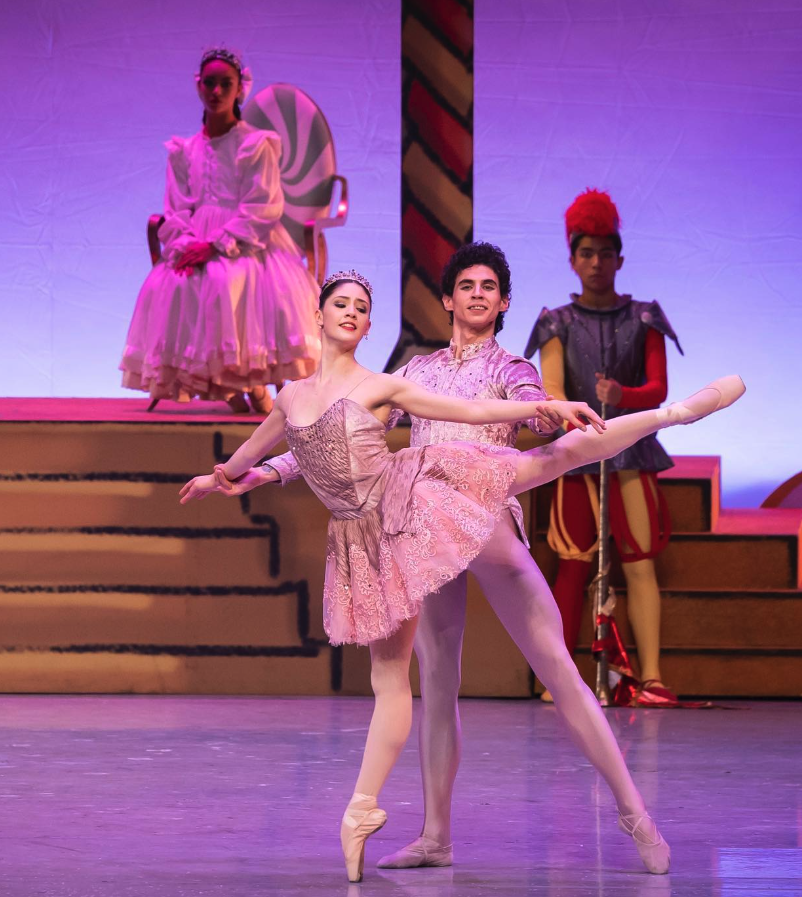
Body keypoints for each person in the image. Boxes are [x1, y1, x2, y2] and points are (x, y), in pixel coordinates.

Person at [179, 268, 745, 882]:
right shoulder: (412, 373)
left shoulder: (511, 368)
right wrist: (264, 472)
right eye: (466, 285)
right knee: (435, 684)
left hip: (482, 517)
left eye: (489, 287)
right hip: (421, 526)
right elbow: (334, 430)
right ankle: (435, 836)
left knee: (557, 665)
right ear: (447, 298)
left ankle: (636, 815)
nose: (477, 295)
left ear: (503, 302)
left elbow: (517, 414)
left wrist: (547, 409)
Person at [215, 242, 559, 870]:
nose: (351, 312)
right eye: (340, 303)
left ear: (370, 325)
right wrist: (230, 477)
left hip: (408, 515)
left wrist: (541, 405)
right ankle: (372, 816)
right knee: (392, 680)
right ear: (319, 316)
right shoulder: (293, 396)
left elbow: (476, 408)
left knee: (409, 677)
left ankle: (363, 806)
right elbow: (264, 447)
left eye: (362, 307)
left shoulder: (388, 384)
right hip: (355, 542)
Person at [525, 189, 683, 706]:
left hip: (633, 456)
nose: (596, 263)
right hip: (577, 457)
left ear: (620, 257)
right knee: (572, 564)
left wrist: (624, 397)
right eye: (586, 253)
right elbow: (549, 393)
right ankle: (561, 677)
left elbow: (657, 391)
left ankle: (652, 675)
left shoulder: (645, 318)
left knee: (639, 564)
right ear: (572, 259)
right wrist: (577, 414)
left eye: (605, 253)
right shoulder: (555, 323)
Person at [120, 46, 321, 414]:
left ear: (239, 88)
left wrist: (217, 245)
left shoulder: (255, 144)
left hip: (248, 242)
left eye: (224, 84)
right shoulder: (185, 150)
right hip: (195, 236)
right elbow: (176, 205)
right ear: (199, 87)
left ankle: (251, 382)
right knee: (176, 284)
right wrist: (186, 243)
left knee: (226, 283)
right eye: (209, 83)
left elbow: (262, 204)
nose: (216, 92)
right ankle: (223, 385)